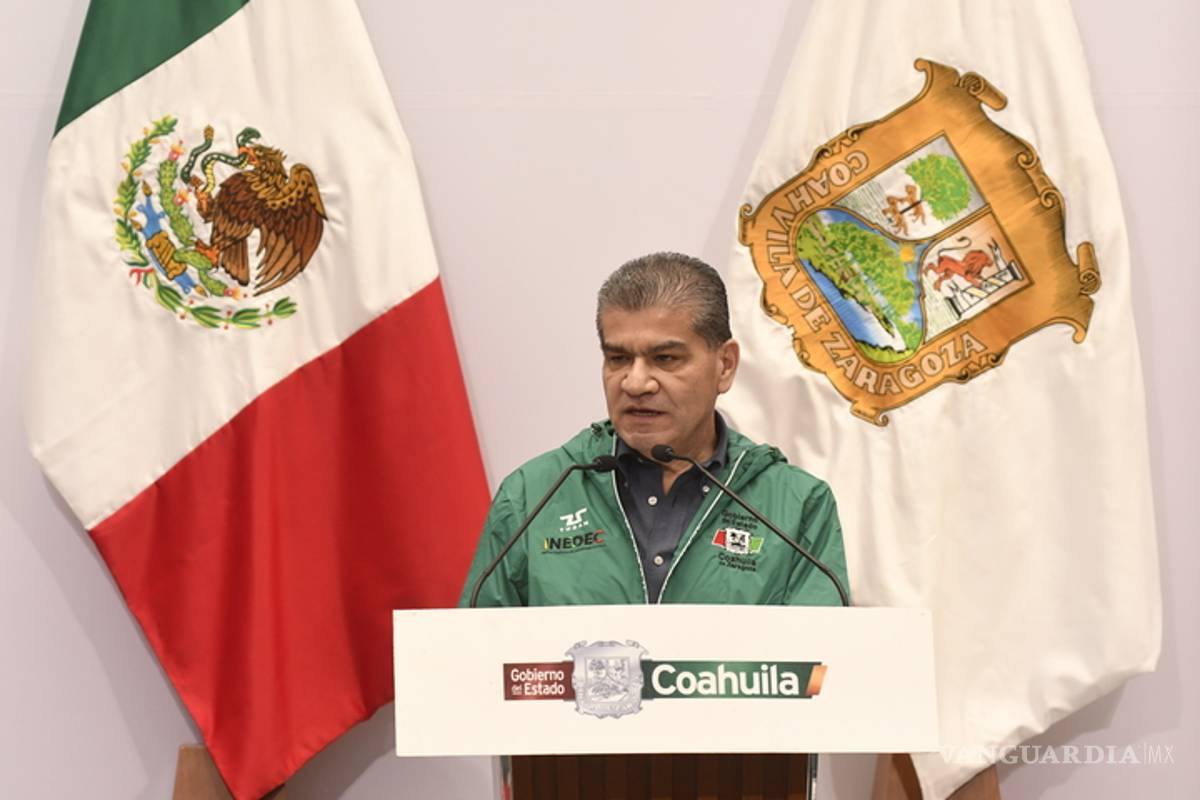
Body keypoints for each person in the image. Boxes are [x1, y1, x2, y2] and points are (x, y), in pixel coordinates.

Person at [460, 252, 848, 607]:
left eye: (665, 358)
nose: (635, 383)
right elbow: (476, 651)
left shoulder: (796, 506)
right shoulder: (533, 495)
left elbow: (820, 658)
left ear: (725, 365)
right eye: (618, 358)